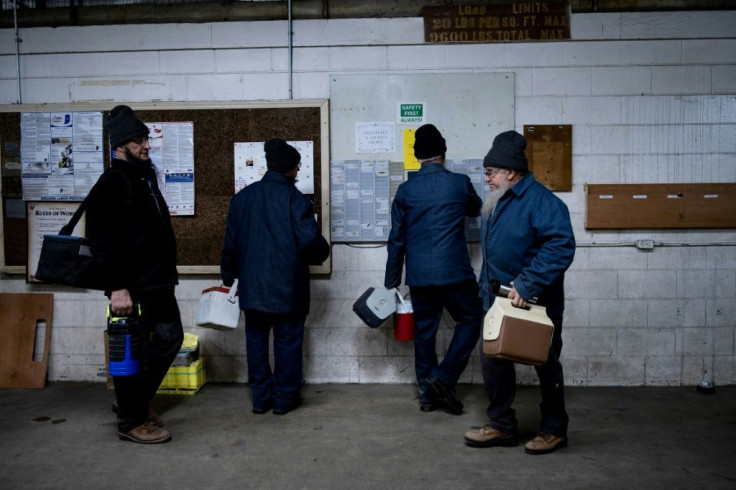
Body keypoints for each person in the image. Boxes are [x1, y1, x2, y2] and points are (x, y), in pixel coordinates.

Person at [464, 130, 576, 455]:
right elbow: (494, 252)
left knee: (546, 362)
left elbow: (560, 246)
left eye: (490, 173)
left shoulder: (543, 202)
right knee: (493, 360)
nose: (486, 179)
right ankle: (501, 425)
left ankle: (554, 430)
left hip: (536, 302)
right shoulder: (497, 201)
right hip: (497, 302)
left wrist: (527, 284)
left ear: (510, 172)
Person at [86, 105, 183, 444]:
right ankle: (131, 420)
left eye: (145, 138)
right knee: (133, 352)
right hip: (132, 288)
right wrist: (117, 288)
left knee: (171, 339)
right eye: (138, 140)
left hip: (159, 281)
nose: (146, 145)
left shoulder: (145, 177)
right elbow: (102, 241)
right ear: (120, 145)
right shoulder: (112, 182)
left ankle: (135, 403)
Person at [221, 138, 329, 416]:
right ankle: (284, 399)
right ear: (292, 169)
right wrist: (322, 250)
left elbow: (230, 243)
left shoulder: (242, 198)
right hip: (288, 288)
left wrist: (228, 276)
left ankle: (260, 398)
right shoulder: (295, 200)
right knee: (288, 342)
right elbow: (309, 243)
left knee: (256, 342)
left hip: (253, 287)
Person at [384, 124, 483, 415]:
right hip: (455, 274)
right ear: (443, 153)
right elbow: (476, 209)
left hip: (420, 277)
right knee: (471, 319)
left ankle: (429, 393)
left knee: (425, 333)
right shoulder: (459, 183)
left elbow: (396, 241)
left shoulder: (405, 190)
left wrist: (392, 282)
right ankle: (444, 378)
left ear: (417, 157)